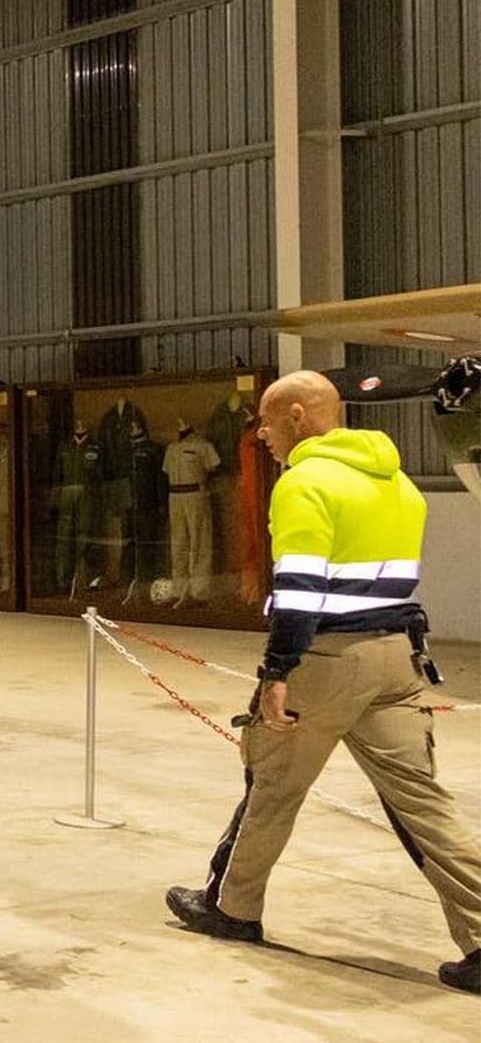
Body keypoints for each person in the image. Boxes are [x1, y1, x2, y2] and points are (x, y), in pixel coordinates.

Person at [166, 370, 481, 995]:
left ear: (300, 418)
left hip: (327, 660)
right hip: (398, 658)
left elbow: (301, 587)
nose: (260, 435)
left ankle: (233, 908)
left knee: (272, 788)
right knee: (425, 807)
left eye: (266, 421)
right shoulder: (398, 482)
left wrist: (278, 671)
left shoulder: (305, 481)